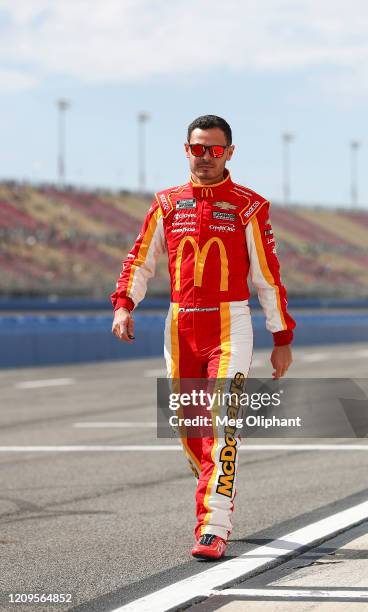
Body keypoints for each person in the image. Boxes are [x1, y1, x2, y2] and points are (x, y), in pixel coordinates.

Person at [111, 115, 296, 560]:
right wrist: (124, 304)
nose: (205, 157)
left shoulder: (250, 206)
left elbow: (267, 277)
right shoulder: (166, 203)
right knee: (190, 429)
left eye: (214, 149)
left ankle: (213, 526)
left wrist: (281, 336)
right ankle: (217, 488)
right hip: (179, 327)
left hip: (230, 326)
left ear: (230, 152)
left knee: (221, 427)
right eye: (198, 148)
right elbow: (140, 260)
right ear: (186, 149)